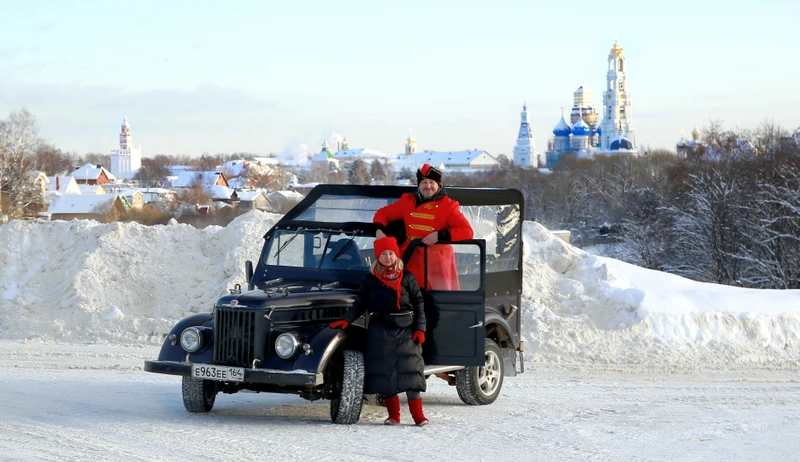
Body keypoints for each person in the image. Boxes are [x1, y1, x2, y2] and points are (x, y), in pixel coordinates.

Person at [329, 237, 429, 426]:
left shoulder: (407, 277)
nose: (388, 257)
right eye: (384, 254)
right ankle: (394, 416)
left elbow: (419, 304)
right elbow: (360, 304)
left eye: (391, 253)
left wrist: (420, 329)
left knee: (412, 373)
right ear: (378, 257)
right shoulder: (370, 280)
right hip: (381, 329)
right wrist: (346, 319)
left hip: (407, 328)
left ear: (396, 255)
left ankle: (419, 416)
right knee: (386, 374)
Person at [373, 163, 474, 290]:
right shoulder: (407, 201)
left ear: (438, 185)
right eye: (424, 182)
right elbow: (382, 214)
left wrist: (439, 235)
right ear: (419, 185)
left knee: (437, 303)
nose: (428, 186)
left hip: (437, 266)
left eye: (431, 182)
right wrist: (379, 232)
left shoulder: (448, 206)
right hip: (411, 259)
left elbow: (467, 231)